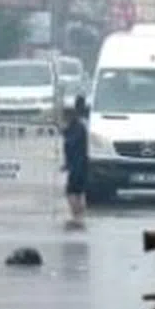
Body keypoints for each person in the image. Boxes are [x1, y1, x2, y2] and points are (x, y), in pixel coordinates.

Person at [61, 95, 89, 228]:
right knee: (79, 191)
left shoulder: (77, 125)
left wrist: (68, 164)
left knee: (71, 191)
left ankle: (77, 218)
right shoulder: (84, 123)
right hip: (82, 163)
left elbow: (71, 143)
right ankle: (79, 217)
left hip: (77, 164)